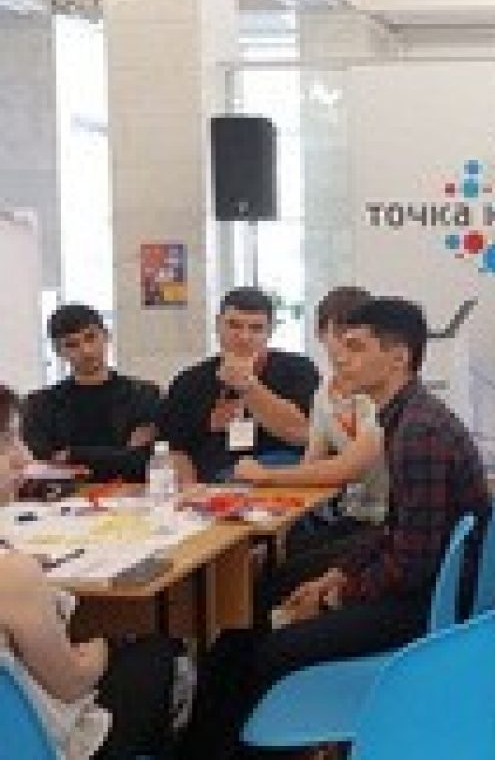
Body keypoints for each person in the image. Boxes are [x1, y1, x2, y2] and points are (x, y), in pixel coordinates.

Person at [179, 297, 491, 759]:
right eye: (341, 345)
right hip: (426, 583)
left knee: (269, 649)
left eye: (357, 347)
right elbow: (396, 530)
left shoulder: (418, 433)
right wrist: (339, 575)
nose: (341, 357)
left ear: (398, 358)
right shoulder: (406, 416)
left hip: (427, 600)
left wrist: (333, 598)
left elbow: (412, 564)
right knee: (256, 614)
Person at [0, 431, 178, 760]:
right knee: (155, 652)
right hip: (42, 746)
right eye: (5, 442)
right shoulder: (12, 574)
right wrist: (101, 645)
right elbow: (73, 683)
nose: (23, 458)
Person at [233, 286, 387, 537]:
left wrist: (266, 475)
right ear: (320, 334)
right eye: (340, 333)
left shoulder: (379, 393)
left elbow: (350, 466)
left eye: (359, 339)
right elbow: (312, 463)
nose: (348, 344)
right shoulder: (324, 394)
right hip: (352, 515)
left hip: (387, 520)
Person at [158, 287, 319, 483]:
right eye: (234, 326)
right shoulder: (189, 381)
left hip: (280, 479)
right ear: (218, 325)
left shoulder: (298, 369)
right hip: (213, 483)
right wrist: (190, 491)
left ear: (270, 331)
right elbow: (176, 450)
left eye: (256, 328)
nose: (244, 337)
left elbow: (302, 433)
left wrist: (248, 386)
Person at [20, 305, 160, 482]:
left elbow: (145, 461)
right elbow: (41, 467)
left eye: (91, 337)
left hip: (132, 494)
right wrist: (121, 455)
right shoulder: (40, 404)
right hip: (64, 496)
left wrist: (72, 454)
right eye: (72, 345)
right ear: (58, 351)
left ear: (106, 336)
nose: (86, 351)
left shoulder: (144, 395)